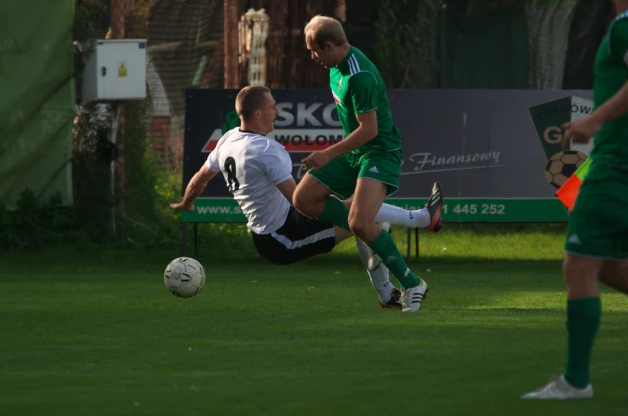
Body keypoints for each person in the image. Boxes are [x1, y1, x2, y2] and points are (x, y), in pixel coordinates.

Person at [170, 85, 444, 309]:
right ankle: (416, 231)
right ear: (256, 113)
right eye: (271, 106)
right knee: (362, 220)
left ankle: (414, 236)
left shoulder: (228, 139)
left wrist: (187, 201)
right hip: (283, 238)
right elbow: (298, 200)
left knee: (361, 216)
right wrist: (327, 186)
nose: (277, 111)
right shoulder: (266, 150)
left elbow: (200, 178)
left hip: (273, 232)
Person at [522, 0, 628, 400]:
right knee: (613, 266)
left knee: (579, 263)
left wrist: (595, 120)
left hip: (621, 166)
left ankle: (576, 381)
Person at [292, 16, 438, 312]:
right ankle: (371, 225)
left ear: (329, 45)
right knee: (304, 199)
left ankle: (412, 284)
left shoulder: (360, 76)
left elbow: (369, 130)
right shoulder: (335, 67)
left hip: (379, 153)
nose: (313, 57)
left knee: (359, 223)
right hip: (355, 154)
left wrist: (327, 153)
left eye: (314, 50)